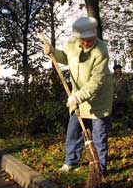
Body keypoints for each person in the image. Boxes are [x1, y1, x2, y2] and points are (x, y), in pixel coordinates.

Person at [42, 17, 113, 174]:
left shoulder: (100, 50)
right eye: (83, 40)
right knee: (73, 131)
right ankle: (70, 161)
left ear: (94, 34)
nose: (86, 43)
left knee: (98, 134)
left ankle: (98, 168)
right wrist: (52, 52)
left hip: (98, 98)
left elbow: (97, 81)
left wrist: (78, 97)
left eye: (90, 40)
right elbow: (66, 58)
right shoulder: (73, 44)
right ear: (77, 37)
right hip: (78, 98)